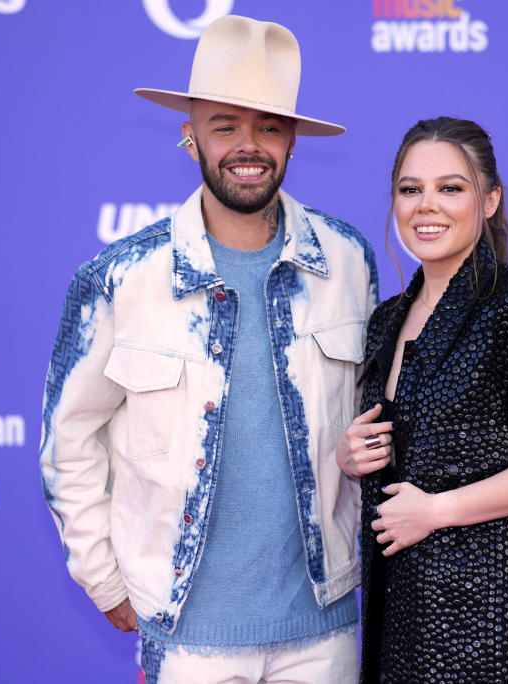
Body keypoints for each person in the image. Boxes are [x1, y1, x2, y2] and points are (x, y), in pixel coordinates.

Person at [40, 16, 377, 684]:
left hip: (323, 631)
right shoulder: (120, 277)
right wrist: (104, 579)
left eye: (269, 127)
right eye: (225, 125)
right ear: (190, 133)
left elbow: (375, 419)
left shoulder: (347, 260)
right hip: (185, 636)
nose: (247, 146)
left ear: (293, 140)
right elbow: (68, 440)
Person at [337, 117, 508, 682]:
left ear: (489, 200)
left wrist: (436, 511)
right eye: (410, 189)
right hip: (406, 617)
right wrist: (351, 455)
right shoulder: (387, 320)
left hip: (499, 622)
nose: (426, 206)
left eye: (450, 188)